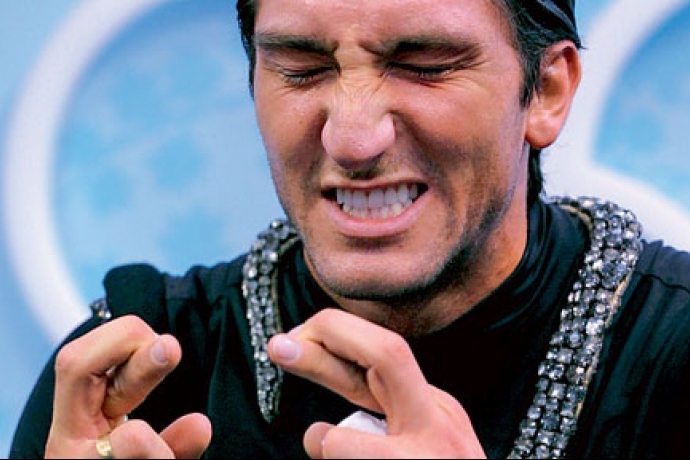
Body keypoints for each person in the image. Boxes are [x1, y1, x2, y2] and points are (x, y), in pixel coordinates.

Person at [9, 0, 690, 458]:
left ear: (546, 91)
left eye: (424, 65)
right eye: (303, 69)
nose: (354, 138)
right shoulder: (127, 378)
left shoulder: (672, 353)